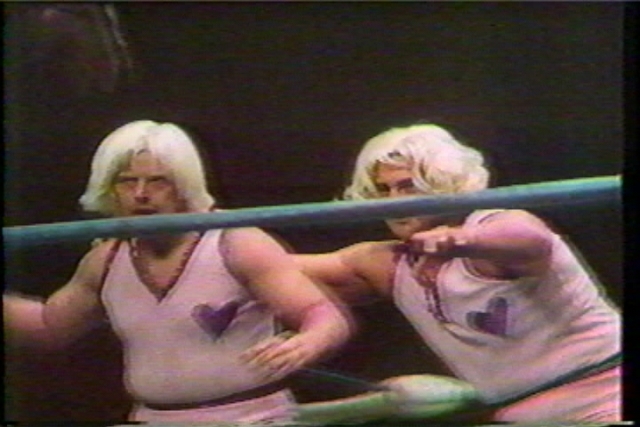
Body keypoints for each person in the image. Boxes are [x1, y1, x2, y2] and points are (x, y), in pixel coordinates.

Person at [3, 120, 352, 423]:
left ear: (184, 185)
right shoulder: (105, 259)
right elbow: (50, 327)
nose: (141, 194)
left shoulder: (237, 243)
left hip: (251, 418)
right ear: (109, 188)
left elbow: (325, 316)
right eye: (127, 181)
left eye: (158, 181)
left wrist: (307, 342)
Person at [294, 123, 622, 422]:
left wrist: (458, 241)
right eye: (383, 189)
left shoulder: (496, 226)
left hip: (607, 399)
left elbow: (530, 239)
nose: (393, 202)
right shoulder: (386, 263)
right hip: (524, 416)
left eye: (408, 187)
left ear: (444, 184)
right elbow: (273, 270)